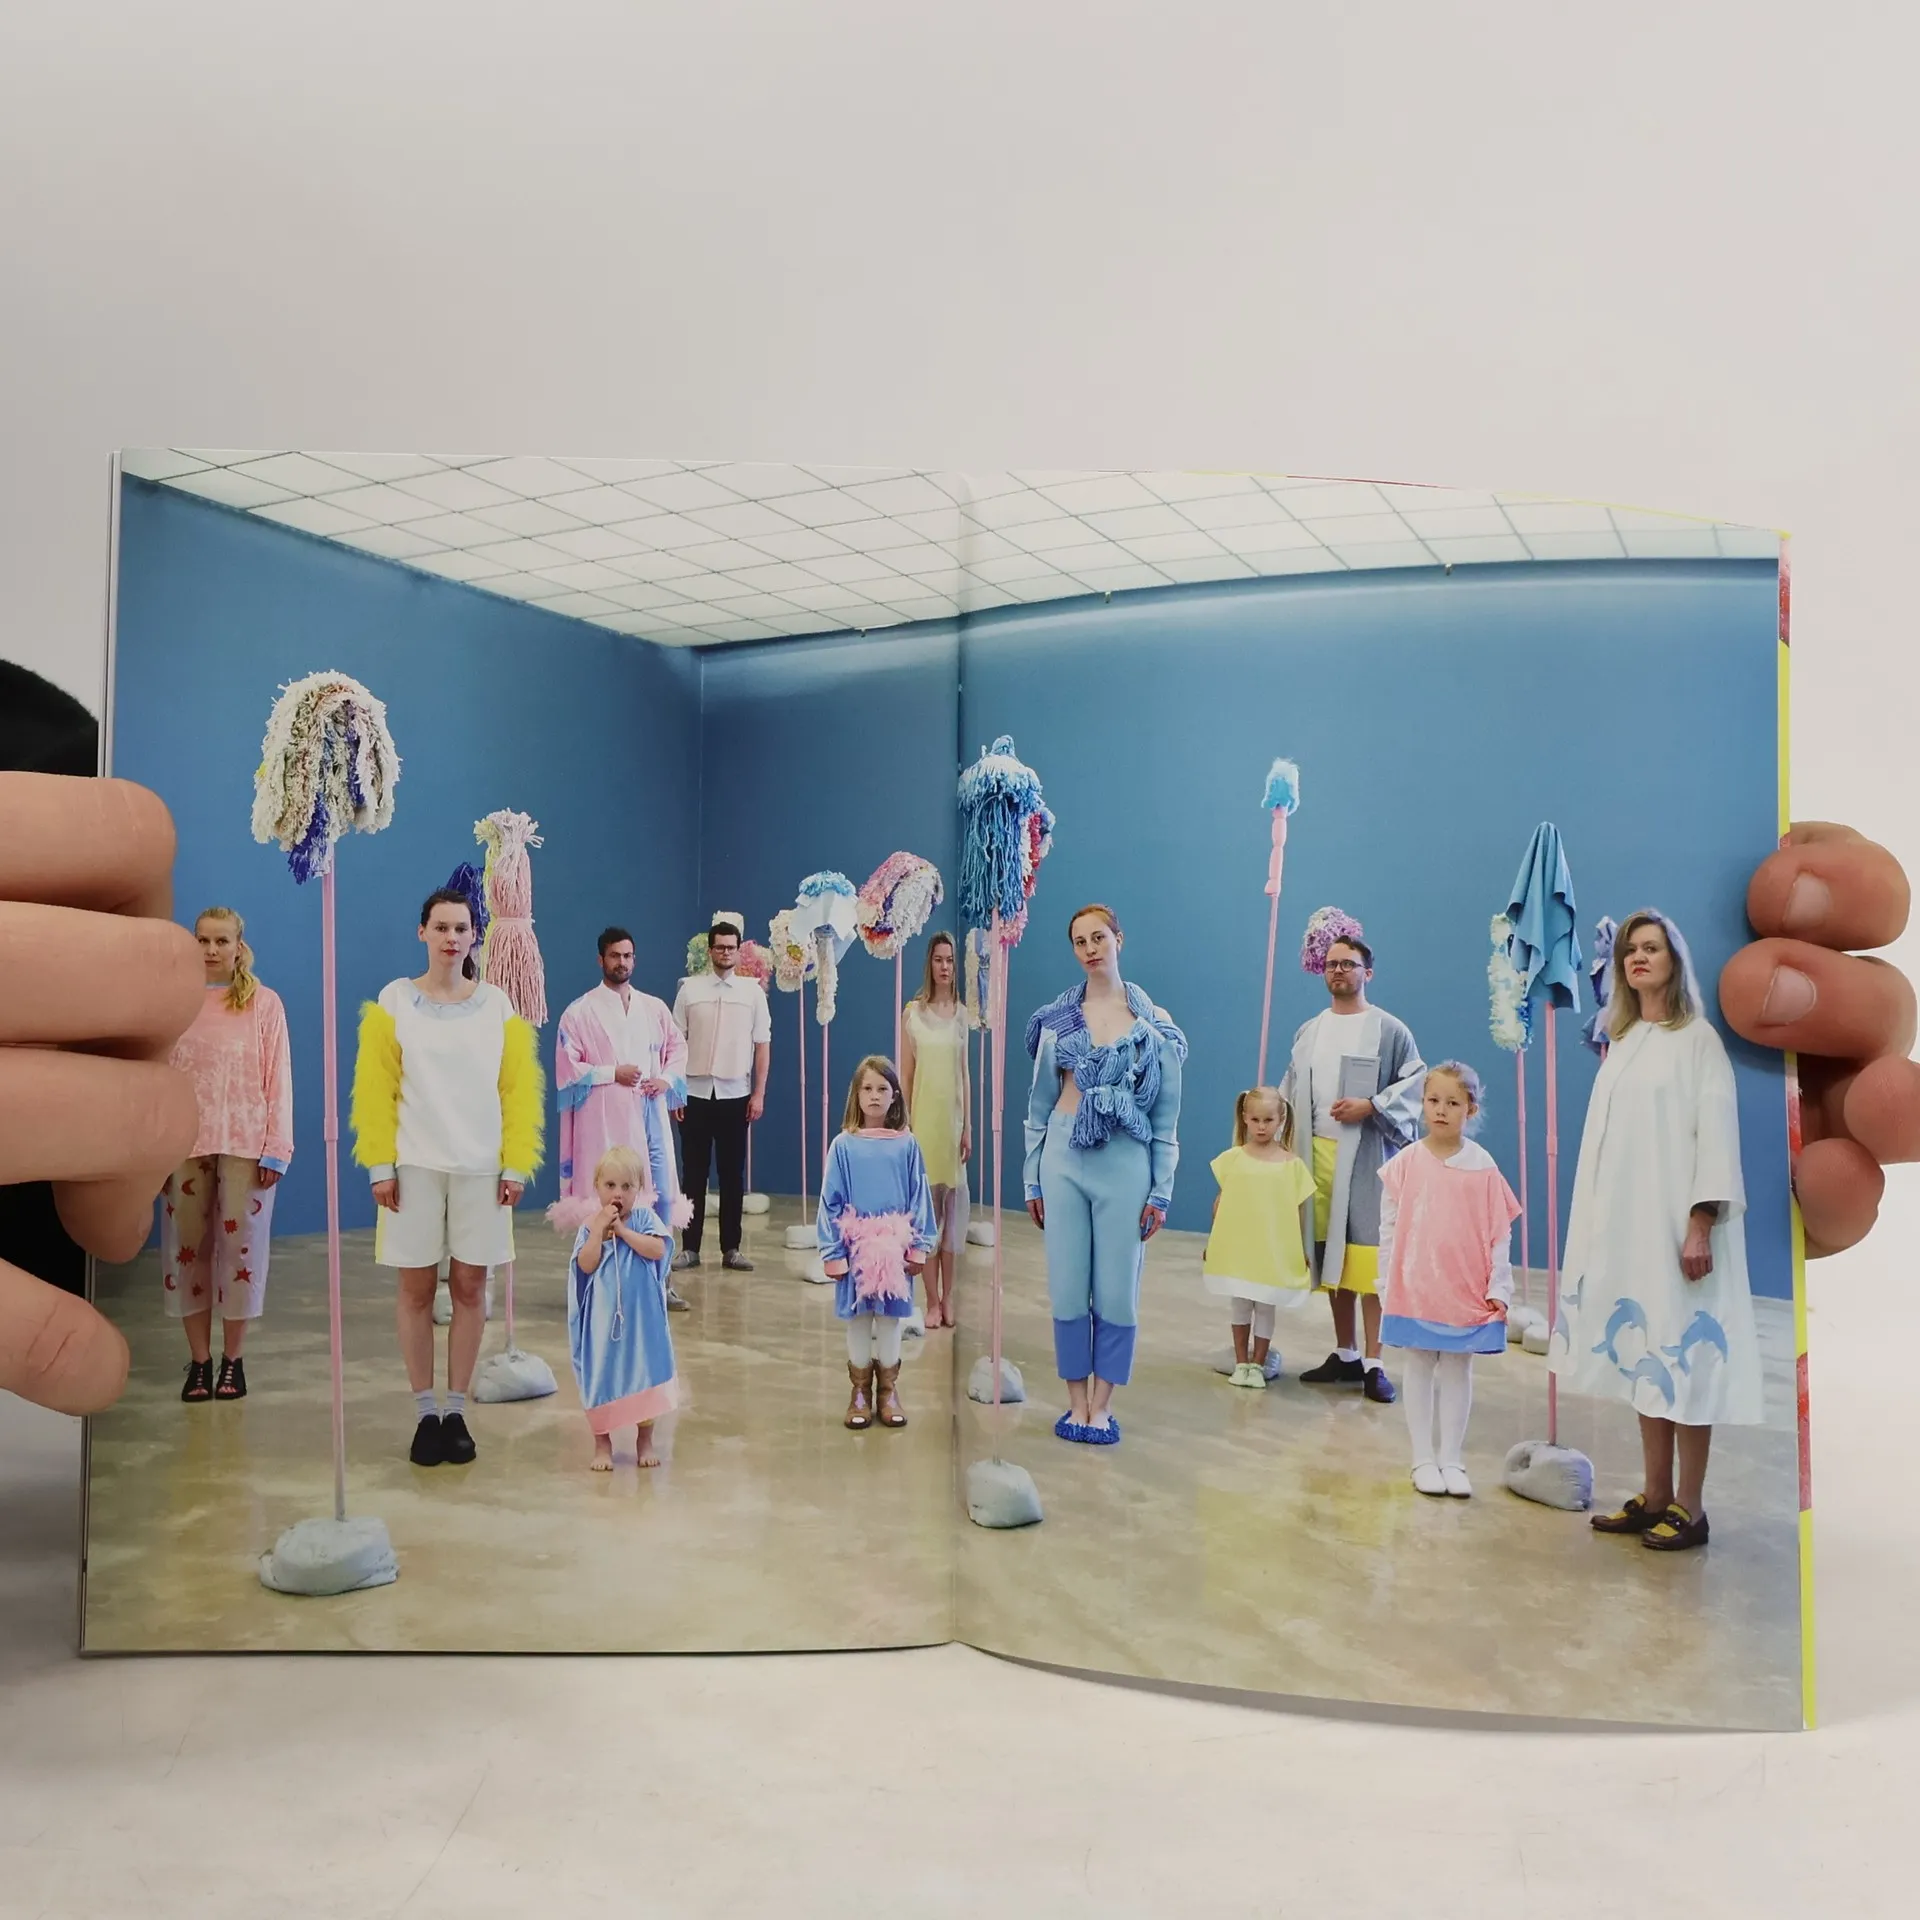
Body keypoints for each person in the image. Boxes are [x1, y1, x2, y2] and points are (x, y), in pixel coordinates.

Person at [1, 769, 1914, 1422]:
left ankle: (1204, 1364)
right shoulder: (659, 1003)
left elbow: (1179, 1081)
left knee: (1246, 1263)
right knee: (901, 1245)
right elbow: (621, 1064)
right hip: (799, 1147)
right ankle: (1022, 1361)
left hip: (997, 1161)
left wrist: (1142, 1142)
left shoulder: (1211, 1033)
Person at [1550, 911, 1761, 1551]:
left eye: (1652, 948)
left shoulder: (1697, 1041)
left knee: (1686, 1361)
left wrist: (1701, 1222)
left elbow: (1715, 1134)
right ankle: (1655, 1495)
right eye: (1630, 950)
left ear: (1675, 960)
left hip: (1678, 1230)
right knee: (1647, 1354)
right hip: (1631, 1229)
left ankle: (1690, 1509)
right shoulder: (1624, 1038)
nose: (1639, 957)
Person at [350, 887, 544, 1469]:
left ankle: (455, 1412)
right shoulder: (395, 1000)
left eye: (461, 928)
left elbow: (517, 1088)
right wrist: (380, 1164)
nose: (451, 938)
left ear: (474, 936)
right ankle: (423, 1413)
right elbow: (376, 1088)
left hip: (481, 1168)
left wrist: (516, 1162)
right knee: (415, 1291)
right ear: (422, 932)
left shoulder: (496, 1005)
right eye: (441, 927)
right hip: (413, 1166)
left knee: (469, 1288)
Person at [1024, 904, 1186, 1446]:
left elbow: (1165, 1118)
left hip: (1125, 1161)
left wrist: (1161, 1191)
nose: (1090, 949)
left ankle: (1102, 1406)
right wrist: (1032, 1178)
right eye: (1080, 941)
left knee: (1117, 1292)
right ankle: (1075, 1403)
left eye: (1099, 937)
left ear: (1119, 939)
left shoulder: (1153, 1025)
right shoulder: (1058, 1021)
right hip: (1063, 1156)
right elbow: (1038, 1106)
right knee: (1067, 1287)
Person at [1285, 924, 1424, 1405]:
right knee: (1333, 1258)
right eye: (1331, 965)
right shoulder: (1309, 1031)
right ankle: (1344, 1352)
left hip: (1366, 1160)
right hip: (1317, 1155)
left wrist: (1372, 1106)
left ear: (1368, 972)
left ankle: (1374, 1362)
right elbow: (1291, 1087)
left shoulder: (1390, 1030)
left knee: (1368, 1261)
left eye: (1348, 964)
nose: (1339, 971)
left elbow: (1415, 1084)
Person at [162, 907, 294, 1402]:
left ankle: (232, 1361)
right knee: (187, 1251)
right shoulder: (173, 1003)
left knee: (242, 1254)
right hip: (184, 1146)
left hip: (246, 1145)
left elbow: (278, 1076)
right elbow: (158, 1075)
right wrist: (154, 1147)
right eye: (202, 940)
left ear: (239, 946)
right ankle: (199, 1362)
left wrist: (277, 1147)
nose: (211, 950)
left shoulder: (264, 1004)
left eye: (221, 941)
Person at [1378, 1062, 1521, 1498]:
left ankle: (1452, 1459)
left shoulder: (1483, 1167)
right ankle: (1422, 1458)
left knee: (1459, 1367)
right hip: (1417, 1287)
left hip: (1465, 1290)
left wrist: (1500, 1286)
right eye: (1433, 1100)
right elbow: (1388, 1227)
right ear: (1422, 1104)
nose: (1441, 1110)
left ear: (1470, 1110)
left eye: (1453, 1103)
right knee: (1419, 1365)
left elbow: (1499, 1232)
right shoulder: (1405, 1163)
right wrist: (1385, 1281)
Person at [556, 926, 693, 1311]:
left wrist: (665, 1080)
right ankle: (603, 1281)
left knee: (660, 1191)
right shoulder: (579, 1012)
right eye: (615, 956)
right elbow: (567, 1067)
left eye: (628, 956)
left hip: (650, 1114)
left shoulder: (654, 1008)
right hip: (605, 1118)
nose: (622, 962)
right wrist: (610, 1072)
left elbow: (677, 1048)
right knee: (610, 1194)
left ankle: (660, 1282)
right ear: (601, 959)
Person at [817, 1056, 936, 1430]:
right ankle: (859, 1393)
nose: (874, 1095)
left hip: (895, 1251)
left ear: (894, 1096)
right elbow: (830, 1200)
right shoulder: (843, 1145)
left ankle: (888, 1392)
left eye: (882, 1088)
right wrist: (833, 1251)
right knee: (857, 1318)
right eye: (867, 1088)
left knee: (889, 1319)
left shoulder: (907, 1145)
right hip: (856, 1249)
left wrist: (919, 1246)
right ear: (856, 1094)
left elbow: (919, 1197)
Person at [567, 1144, 678, 1471]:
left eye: (627, 1186)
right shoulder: (591, 1225)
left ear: (638, 1189)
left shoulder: (644, 1219)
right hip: (603, 1323)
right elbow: (585, 1265)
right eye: (610, 1185)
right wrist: (598, 1233)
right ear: (597, 1186)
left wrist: (624, 1232)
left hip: (641, 1320)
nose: (618, 1193)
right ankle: (603, 1444)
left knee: (644, 1374)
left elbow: (657, 1250)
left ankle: (645, 1440)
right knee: (601, 1376)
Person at [671, 921, 770, 1275]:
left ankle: (732, 1248)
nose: (725, 952)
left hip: (735, 1095)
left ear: (739, 951)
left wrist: (758, 1093)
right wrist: (676, 1091)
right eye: (720, 947)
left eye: (731, 947)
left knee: (732, 1175)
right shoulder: (689, 989)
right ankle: (690, 1247)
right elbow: (675, 1043)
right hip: (694, 1094)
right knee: (693, 1174)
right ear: (710, 950)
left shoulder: (752, 993)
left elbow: (762, 1045)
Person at [1203, 1086, 1315, 1387]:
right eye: (1255, 1120)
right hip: (1240, 1249)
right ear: (1245, 1118)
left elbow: (1299, 1211)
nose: (1262, 1127)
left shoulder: (1292, 1165)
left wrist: (1301, 1249)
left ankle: (1258, 1364)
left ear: (1281, 1120)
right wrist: (1213, 1241)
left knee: (1266, 1304)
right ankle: (1241, 1363)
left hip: (1272, 1251)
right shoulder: (1233, 1159)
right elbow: (1221, 1202)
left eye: (1268, 1120)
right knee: (1240, 1304)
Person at [901, 929, 975, 1329]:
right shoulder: (912, 1014)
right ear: (929, 964)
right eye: (938, 960)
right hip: (922, 1125)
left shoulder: (962, 1015)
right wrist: (905, 1125)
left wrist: (968, 1127)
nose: (944, 967)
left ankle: (948, 1298)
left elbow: (964, 1074)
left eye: (949, 960)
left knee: (953, 1219)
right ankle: (930, 1299)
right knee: (926, 1218)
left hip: (952, 1126)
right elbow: (906, 1076)